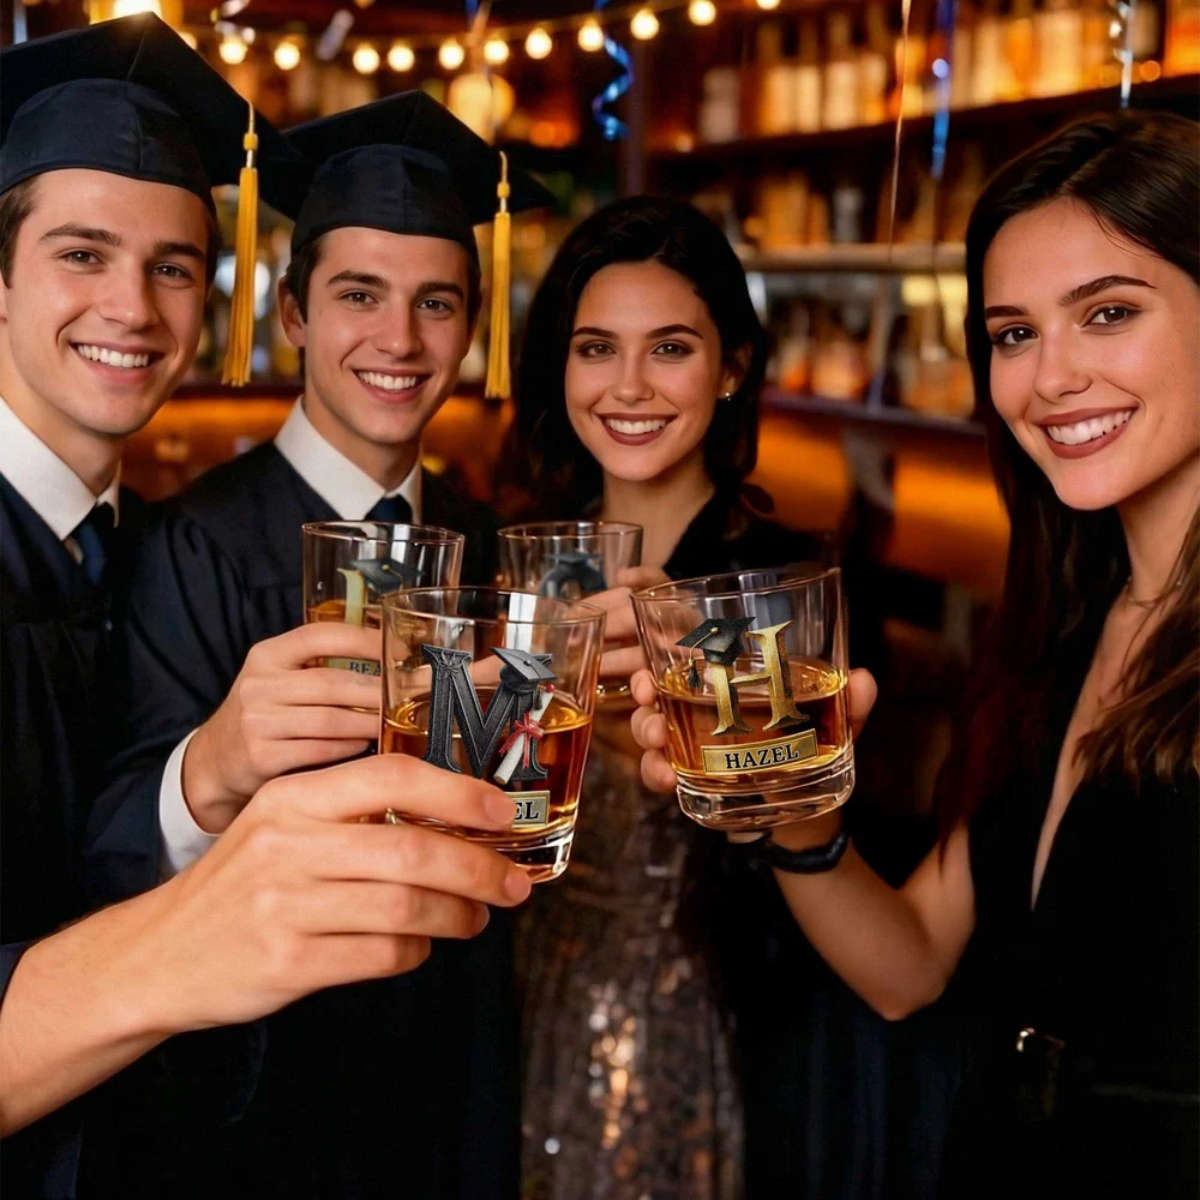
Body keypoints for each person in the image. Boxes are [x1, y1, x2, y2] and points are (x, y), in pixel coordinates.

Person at [0, 17, 532, 1197]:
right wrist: (211, 770)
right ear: (292, 314)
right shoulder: (193, 543)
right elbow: (111, 859)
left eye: (174, 267)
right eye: (82, 254)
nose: (133, 307)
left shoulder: (113, 537)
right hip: (242, 1119)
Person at [632, 112, 1200, 1197]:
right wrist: (798, 818)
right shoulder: (1061, 632)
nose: (1050, 377)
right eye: (1013, 333)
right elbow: (909, 966)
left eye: (1109, 314)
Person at [506, 197, 831, 1198]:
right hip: (509, 1003)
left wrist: (702, 682)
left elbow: (790, 827)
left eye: (672, 349)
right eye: (596, 348)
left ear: (732, 367)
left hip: (691, 1019)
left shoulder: (774, 586)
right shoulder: (524, 555)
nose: (630, 386)